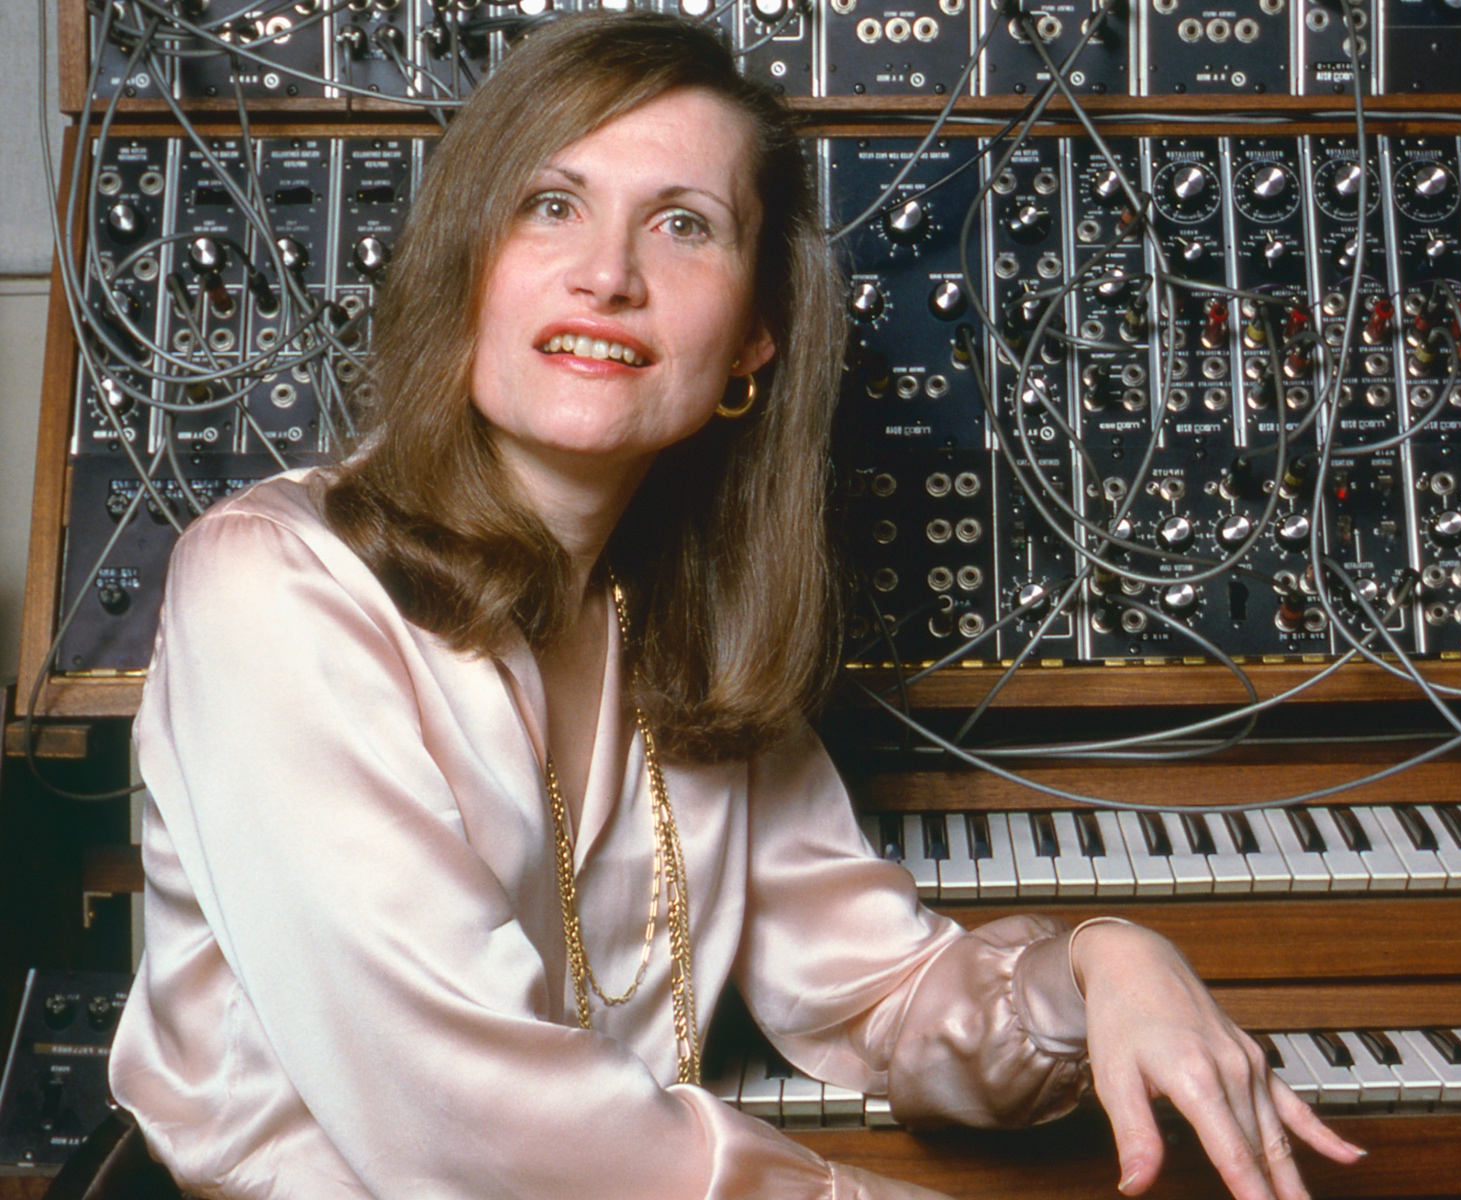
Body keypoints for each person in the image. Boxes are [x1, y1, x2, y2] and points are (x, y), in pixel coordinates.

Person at [107, 13, 1364, 1200]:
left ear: (754, 338)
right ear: (466, 265)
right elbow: (457, 1117)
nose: (608, 275)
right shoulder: (273, 583)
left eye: (684, 226)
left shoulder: (678, 615)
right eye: (552, 205)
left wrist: (1093, 966)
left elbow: (875, 988)